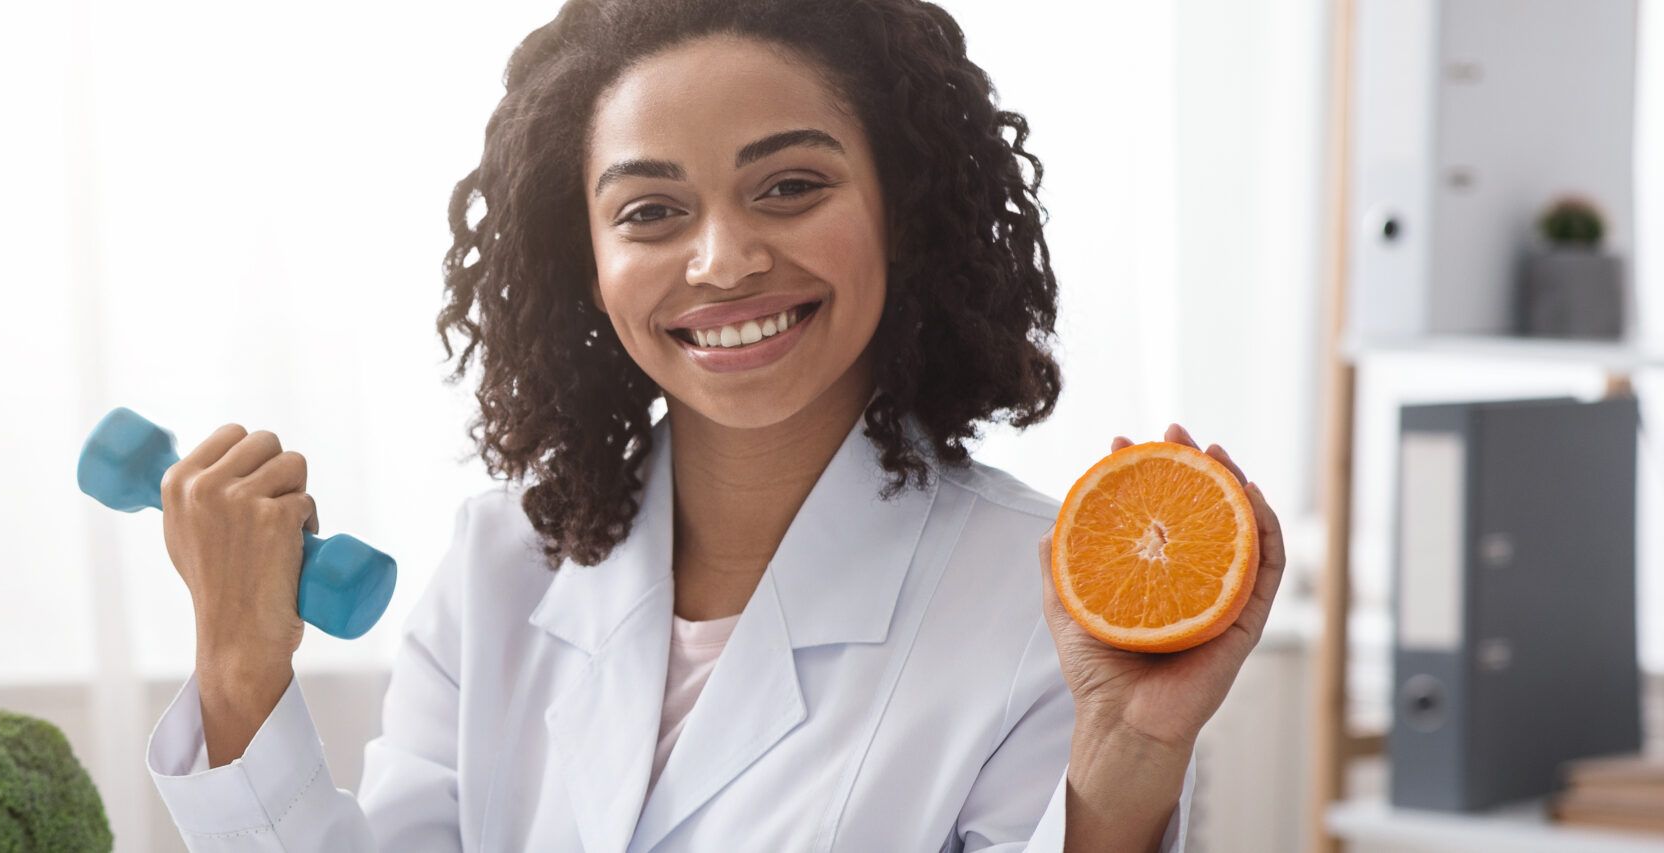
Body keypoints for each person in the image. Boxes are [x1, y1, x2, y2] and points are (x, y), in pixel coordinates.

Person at [142, 0, 1287, 849]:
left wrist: (1129, 760)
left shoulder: (1042, 605)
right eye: (649, 211)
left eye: (789, 186)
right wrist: (240, 673)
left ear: (905, 211)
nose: (724, 259)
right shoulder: (499, 566)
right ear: (582, 263)